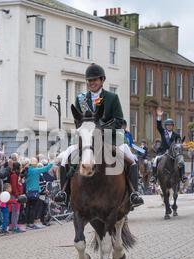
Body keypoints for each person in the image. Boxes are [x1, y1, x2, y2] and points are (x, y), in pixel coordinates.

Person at [54, 63, 144, 208]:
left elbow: (119, 120)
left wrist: (102, 130)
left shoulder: (112, 98)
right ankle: (64, 193)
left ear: (102, 80)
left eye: (95, 80)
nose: (92, 83)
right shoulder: (81, 99)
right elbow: (78, 121)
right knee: (65, 158)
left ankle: (134, 193)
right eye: (89, 80)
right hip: (87, 139)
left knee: (131, 159)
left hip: (109, 138)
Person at [151, 108, 187, 184]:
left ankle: (182, 176)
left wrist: (182, 145)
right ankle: (154, 176)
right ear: (166, 126)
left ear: (172, 126)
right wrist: (159, 117)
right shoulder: (163, 132)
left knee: (181, 161)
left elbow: (179, 143)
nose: (169, 126)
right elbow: (158, 126)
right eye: (167, 125)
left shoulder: (176, 135)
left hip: (173, 153)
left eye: (170, 125)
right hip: (163, 152)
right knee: (155, 160)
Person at [25, 158, 54, 229]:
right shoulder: (35, 171)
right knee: (34, 208)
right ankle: (32, 223)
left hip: (28, 191)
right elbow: (46, 168)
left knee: (28, 207)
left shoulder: (28, 170)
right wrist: (52, 162)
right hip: (34, 191)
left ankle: (28, 223)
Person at [9, 162, 24, 233]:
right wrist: (17, 195)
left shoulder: (16, 175)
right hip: (15, 195)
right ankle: (14, 226)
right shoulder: (14, 175)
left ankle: (15, 225)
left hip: (18, 194)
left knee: (17, 211)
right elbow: (14, 186)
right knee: (15, 212)